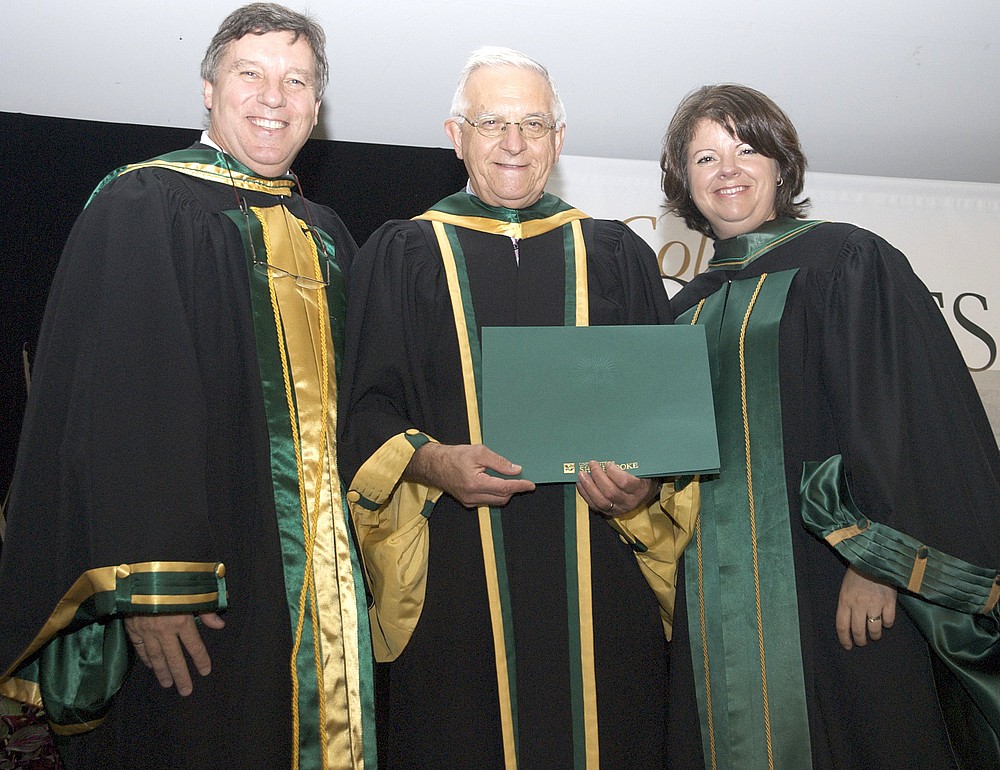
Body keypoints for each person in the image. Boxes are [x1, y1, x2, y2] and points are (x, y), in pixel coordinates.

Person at [0, 4, 376, 768]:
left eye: (296, 80)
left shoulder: (327, 233)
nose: (275, 95)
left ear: (316, 106)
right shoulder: (145, 203)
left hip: (320, 579)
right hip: (205, 586)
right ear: (209, 89)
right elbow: (120, 403)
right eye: (252, 73)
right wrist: (153, 584)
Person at [337, 47, 694, 769]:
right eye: (492, 121)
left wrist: (644, 484)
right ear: (454, 134)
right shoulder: (403, 252)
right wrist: (434, 461)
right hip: (457, 577)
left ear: (558, 141)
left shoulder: (616, 253)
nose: (513, 142)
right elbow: (364, 410)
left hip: (603, 565)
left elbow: (664, 417)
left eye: (533, 123)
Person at [661, 83, 1000, 769]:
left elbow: (903, 419)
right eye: (704, 158)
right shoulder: (680, 313)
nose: (727, 169)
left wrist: (878, 564)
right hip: (714, 604)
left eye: (746, 148)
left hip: (833, 581)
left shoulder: (846, 260)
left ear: (782, 166)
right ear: (683, 184)